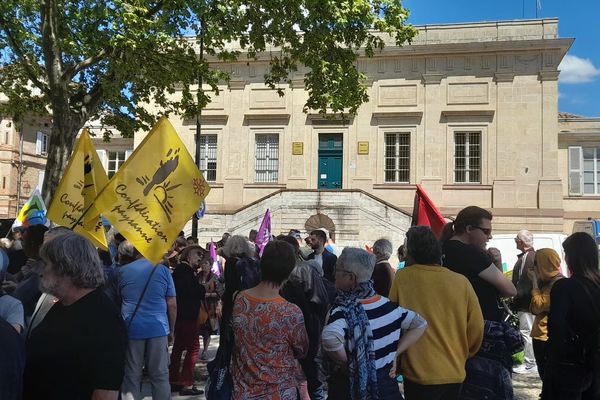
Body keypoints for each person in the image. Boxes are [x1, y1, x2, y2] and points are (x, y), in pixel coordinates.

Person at [23, 233, 127, 400]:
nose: (40, 271)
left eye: (45, 263)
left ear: (65, 267)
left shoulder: (103, 318)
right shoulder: (62, 305)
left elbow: (105, 393)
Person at [389, 226, 484, 400]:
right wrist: (463, 352)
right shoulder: (461, 282)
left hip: (416, 370)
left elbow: (392, 321)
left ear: (410, 251)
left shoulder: (402, 278)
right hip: (453, 368)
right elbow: (476, 327)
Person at [321, 247, 427, 400]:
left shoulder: (342, 310)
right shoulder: (390, 308)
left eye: (336, 270)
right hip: (387, 387)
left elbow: (329, 338)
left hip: (351, 388)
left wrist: (349, 365)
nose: (333, 274)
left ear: (350, 278)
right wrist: (395, 354)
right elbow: (420, 323)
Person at [439, 206, 520, 399]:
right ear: (468, 229)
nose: (489, 237)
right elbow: (510, 290)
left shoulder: (441, 249)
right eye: (486, 231)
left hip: (450, 330)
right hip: (481, 333)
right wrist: (495, 262)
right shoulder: (471, 254)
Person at [231, 240, 309, 399]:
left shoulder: (239, 299)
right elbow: (302, 351)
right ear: (289, 271)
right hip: (279, 392)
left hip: (242, 391)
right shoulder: (290, 312)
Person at [542, 232, 600, 400]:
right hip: (595, 361)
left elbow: (556, 328)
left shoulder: (565, 287)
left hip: (569, 364)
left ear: (572, 257)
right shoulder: (597, 285)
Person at [118, 247, 177, 400]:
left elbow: (117, 300)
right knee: (160, 376)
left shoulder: (122, 272)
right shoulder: (163, 271)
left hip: (131, 328)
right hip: (158, 328)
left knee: (131, 376)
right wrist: (172, 330)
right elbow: (172, 304)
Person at [280, 235, 330, 399]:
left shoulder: (299, 270)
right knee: (311, 379)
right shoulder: (304, 270)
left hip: (293, 332)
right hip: (305, 332)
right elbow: (321, 301)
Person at [169, 245, 206, 396]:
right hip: (187, 317)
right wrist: (203, 288)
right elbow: (190, 292)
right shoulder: (184, 271)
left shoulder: (183, 270)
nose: (200, 258)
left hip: (183, 316)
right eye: (198, 254)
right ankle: (186, 383)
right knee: (193, 348)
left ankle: (175, 380)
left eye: (201, 256)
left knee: (179, 348)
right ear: (188, 255)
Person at [528, 248, 564, 380]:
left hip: (546, 336)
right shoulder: (548, 282)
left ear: (544, 264)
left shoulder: (558, 283)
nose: (534, 267)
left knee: (548, 376)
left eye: (536, 263)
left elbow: (537, 306)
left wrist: (534, 283)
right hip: (541, 335)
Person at [511, 230, 538, 375]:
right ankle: (531, 362)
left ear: (521, 242)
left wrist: (515, 297)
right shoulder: (529, 256)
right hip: (527, 302)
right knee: (528, 332)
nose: (515, 241)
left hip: (526, 303)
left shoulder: (529, 257)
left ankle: (530, 363)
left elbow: (524, 283)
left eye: (516, 239)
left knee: (527, 332)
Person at [197, 251, 223, 361]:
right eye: (202, 264)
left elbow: (220, 292)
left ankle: (205, 350)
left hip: (210, 307)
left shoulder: (215, 278)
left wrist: (209, 294)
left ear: (210, 265)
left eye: (206, 263)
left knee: (207, 329)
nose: (204, 266)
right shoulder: (197, 277)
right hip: (199, 306)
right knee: (199, 328)